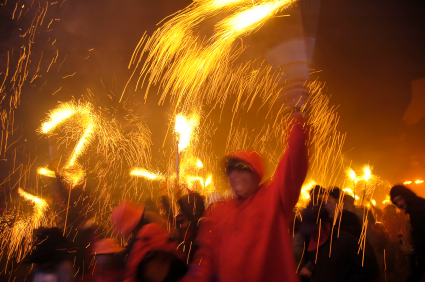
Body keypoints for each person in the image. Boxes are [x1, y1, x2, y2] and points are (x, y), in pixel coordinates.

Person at [184, 113, 308, 282]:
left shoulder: (274, 198)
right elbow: (206, 255)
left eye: (242, 168)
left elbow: (294, 162)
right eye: (231, 170)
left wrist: (298, 119)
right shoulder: (218, 211)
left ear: (255, 172)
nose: (235, 174)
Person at [298, 206, 380, 282]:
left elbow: (366, 271)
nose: (312, 234)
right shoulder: (311, 241)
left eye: (314, 230)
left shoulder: (345, 241)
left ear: (325, 225)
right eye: (308, 231)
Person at [390, 185, 425, 282]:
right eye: (397, 202)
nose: (400, 203)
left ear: (406, 195)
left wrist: (413, 249)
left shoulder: (418, 209)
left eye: (401, 199)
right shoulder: (415, 207)